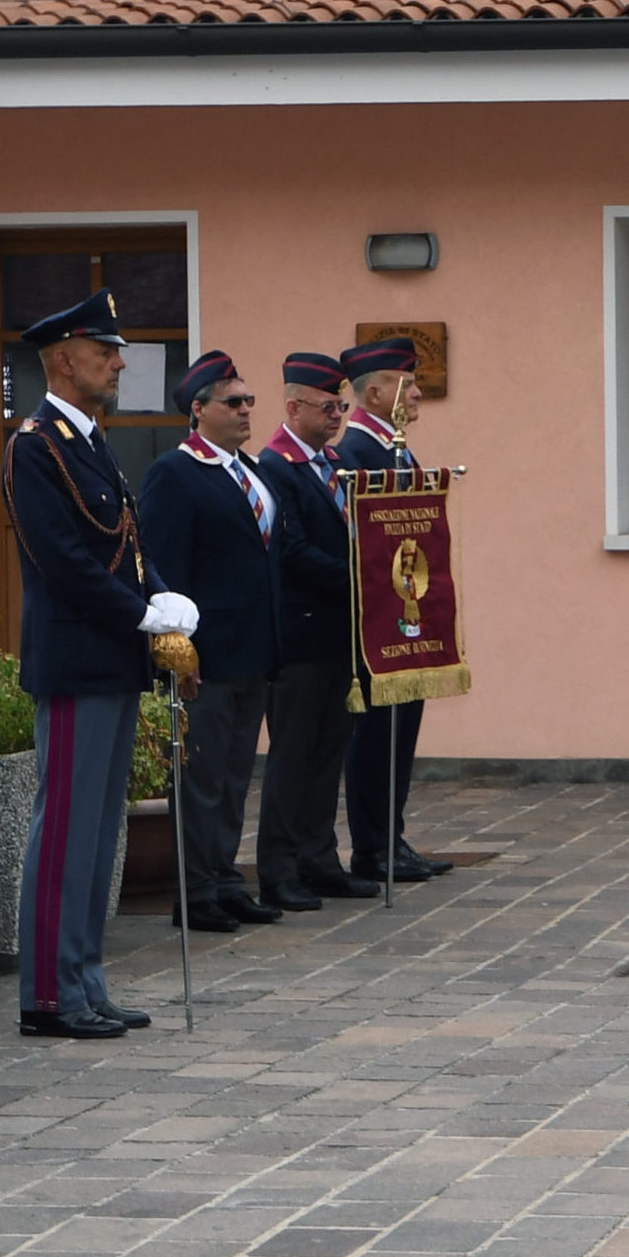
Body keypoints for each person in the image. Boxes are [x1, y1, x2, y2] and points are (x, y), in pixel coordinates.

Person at [3, 291, 199, 1039]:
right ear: (61, 359)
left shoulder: (88, 441)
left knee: (97, 830)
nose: (119, 362)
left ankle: (84, 977)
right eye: (104, 350)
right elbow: (63, 560)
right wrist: (139, 612)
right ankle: (48, 994)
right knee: (66, 830)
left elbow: (124, 545)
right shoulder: (34, 444)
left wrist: (160, 596)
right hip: (76, 660)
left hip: (113, 658)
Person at [137, 350, 287, 934]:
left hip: (254, 648)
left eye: (249, 400)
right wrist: (179, 649)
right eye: (234, 402)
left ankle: (224, 878)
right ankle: (194, 891)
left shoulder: (250, 470)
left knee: (231, 776)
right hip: (209, 654)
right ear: (198, 411)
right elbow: (164, 566)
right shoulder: (175, 474)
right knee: (200, 778)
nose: (247, 410)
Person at [256, 355, 379, 910]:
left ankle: (320, 858)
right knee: (292, 756)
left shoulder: (331, 463)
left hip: (339, 634)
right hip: (301, 634)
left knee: (330, 750)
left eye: (341, 406)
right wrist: (363, 576)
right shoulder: (275, 466)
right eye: (328, 406)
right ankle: (279, 868)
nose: (337, 417)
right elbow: (293, 550)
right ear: (294, 407)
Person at [332, 337, 454, 884]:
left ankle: (392, 835)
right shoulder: (355, 455)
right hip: (374, 618)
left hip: (406, 614)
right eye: (410, 383)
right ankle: (372, 845)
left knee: (402, 730)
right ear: (376, 392)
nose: (420, 392)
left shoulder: (398, 450)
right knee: (376, 735)